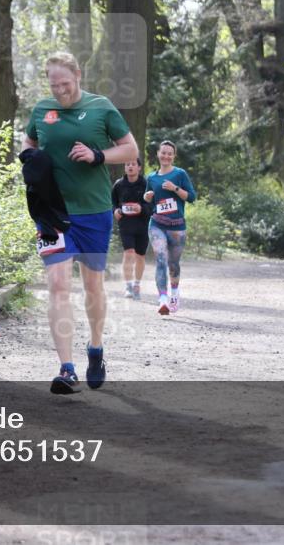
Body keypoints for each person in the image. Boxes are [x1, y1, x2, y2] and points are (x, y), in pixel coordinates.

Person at [23, 52, 139, 394]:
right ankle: (66, 368)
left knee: (92, 287)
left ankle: (96, 347)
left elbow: (130, 150)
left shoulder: (101, 108)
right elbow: (30, 142)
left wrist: (97, 156)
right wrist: (30, 159)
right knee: (58, 285)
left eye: (66, 83)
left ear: (78, 75)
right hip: (52, 212)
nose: (60, 91)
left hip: (94, 211)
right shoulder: (43, 111)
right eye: (54, 85)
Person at [143, 140, 196, 315]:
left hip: (177, 226)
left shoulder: (180, 174)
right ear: (158, 154)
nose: (166, 156)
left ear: (173, 156)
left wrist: (175, 188)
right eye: (163, 152)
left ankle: (174, 292)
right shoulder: (151, 177)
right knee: (160, 259)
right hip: (157, 224)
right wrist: (147, 197)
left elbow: (191, 197)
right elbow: (149, 200)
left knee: (173, 263)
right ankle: (162, 299)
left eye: (169, 153)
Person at [112, 158, 151, 300]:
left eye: (133, 164)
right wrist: (115, 211)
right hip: (126, 224)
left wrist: (142, 208)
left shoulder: (146, 184)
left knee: (140, 256)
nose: (130, 167)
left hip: (142, 224)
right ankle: (128, 286)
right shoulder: (118, 185)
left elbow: (153, 206)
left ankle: (137, 284)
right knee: (128, 253)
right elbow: (114, 203)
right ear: (125, 167)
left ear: (139, 168)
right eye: (127, 164)